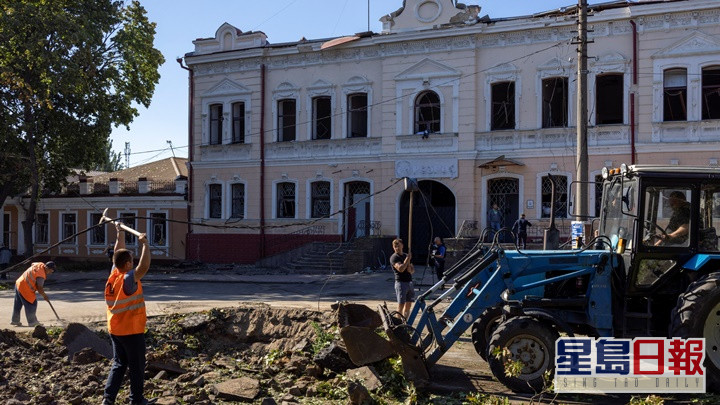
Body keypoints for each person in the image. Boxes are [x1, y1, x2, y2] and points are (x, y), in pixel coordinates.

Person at [103, 222, 156, 405]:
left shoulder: (114, 273)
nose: (133, 263)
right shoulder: (128, 277)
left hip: (115, 329)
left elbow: (119, 251)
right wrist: (145, 245)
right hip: (131, 331)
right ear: (126, 264)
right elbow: (144, 266)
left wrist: (120, 232)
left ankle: (108, 400)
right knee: (136, 367)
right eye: (131, 260)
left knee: (119, 364)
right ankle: (136, 400)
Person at [11, 261, 56, 327]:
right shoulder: (41, 275)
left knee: (18, 304)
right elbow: (39, 288)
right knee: (32, 304)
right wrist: (44, 296)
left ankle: (15, 320)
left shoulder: (40, 264)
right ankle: (32, 322)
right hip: (25, 288)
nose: (50, 273)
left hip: (19, 283)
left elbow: (33, 263)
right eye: (51, 271)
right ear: (47, 268)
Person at [389, 238, 415, 320]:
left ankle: (405, 321)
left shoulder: (405, 255)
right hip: (401, 283)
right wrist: (407, 259)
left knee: (408, 304)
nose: (397, 248)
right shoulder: (394, 257)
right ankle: (398, 322)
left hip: (409, 282)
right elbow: (400, 269)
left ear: (402, 246)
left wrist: (410, 268)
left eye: (398, 246)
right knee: (401, 304)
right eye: (395, 246)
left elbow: (412, 270)